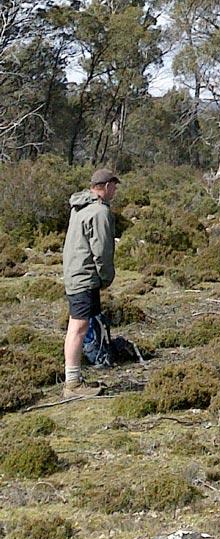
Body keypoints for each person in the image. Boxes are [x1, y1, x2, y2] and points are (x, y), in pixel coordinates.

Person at [61, 165, 119, 400]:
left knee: (79, 326)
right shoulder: (99, 212)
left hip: (74, 272)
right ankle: (72, 383)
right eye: (113, 186)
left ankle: (75, 379)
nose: (115, 190)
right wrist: (106, 278)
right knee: (78, 328)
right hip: (84, 276)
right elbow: (102, 251)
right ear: (105, 187)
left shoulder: (79, 207)